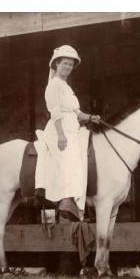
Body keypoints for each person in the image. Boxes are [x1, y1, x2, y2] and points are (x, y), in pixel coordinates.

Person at [37, 45, 101, 221]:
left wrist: (91, 118)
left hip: (73, 128)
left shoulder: (66, 87)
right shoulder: (53, 86)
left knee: (84, 153)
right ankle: (67, 199)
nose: (67, 68)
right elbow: (55, 111)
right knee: (71, 157)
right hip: (60, 129)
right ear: (56, 64)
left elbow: (77, 113)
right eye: (64, 63)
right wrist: (61, 135)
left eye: (70, 65)